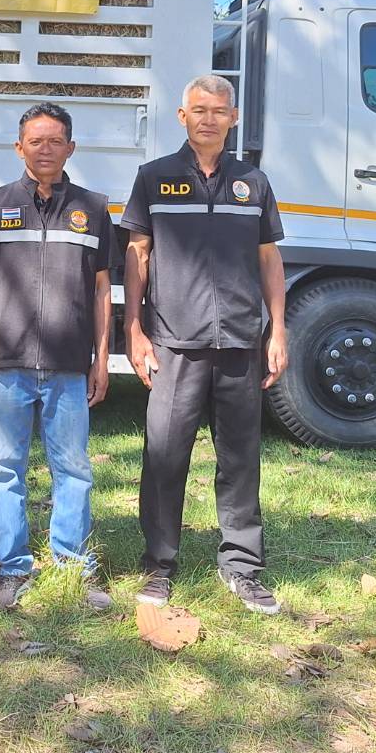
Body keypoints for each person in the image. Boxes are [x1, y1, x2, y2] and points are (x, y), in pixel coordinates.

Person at [121, 75, 288, 615]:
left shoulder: (253, 183)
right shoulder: (154, 178)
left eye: (218, 111)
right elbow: (138, 254)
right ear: (182, 116)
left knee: (239, 459)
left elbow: (269, 258)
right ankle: (159, 565)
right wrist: (134, 329)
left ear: (233, 118)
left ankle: (241, 566)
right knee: (164, 456)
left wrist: (278, 329)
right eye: (199, 110)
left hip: (240, 341)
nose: (208, 119)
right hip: (175, 343)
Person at [0, 103, 114, 611]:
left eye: (55, 141)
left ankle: (74, 565)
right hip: (5, 363)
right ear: (18, 147)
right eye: (35, 141)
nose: (45, 149)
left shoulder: (93, 208)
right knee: (3, 468)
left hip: (69, 364)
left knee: (73, 469)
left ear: (71, 147)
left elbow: (101, 290)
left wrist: (101, 359)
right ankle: (10, 570)